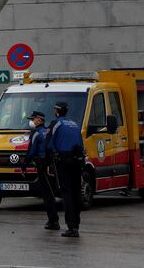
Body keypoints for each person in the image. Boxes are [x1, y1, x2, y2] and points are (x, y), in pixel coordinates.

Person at [47, 100, 85, 237]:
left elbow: (50, 145)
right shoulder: (74, 124)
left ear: (57, 111)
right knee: (76, 193)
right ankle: (76, 225)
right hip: (77, 161)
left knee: (66, 194)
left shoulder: (56, 124)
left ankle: (71, 226)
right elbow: (81, 144)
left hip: (64, 161)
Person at [21, 110, 59, 230]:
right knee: (51, 194)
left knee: (47, 195)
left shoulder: (36, 133)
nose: (31, 121)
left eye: (33, 119)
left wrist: (24, 165)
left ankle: (53, 221)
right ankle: (53, 220)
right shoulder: (48, 131)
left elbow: (31, 151)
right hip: (51, 166)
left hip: (42, 167)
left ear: (39, 120)